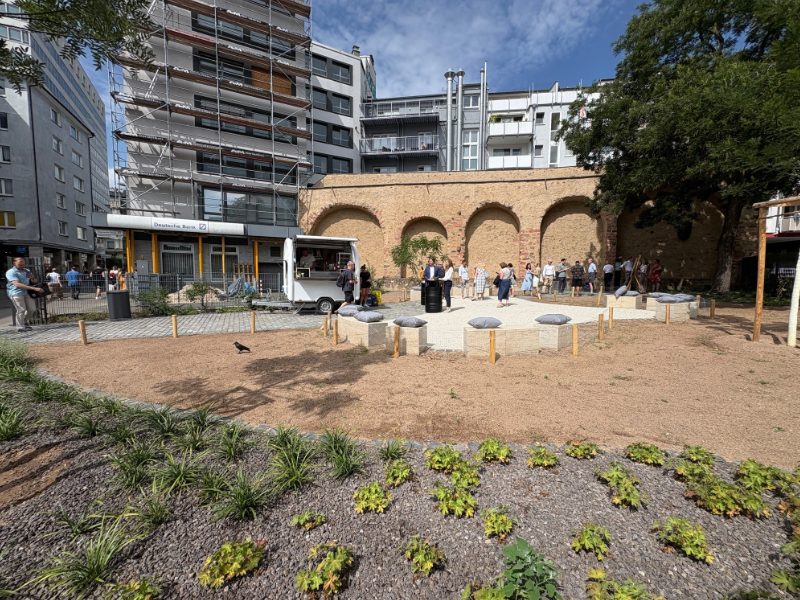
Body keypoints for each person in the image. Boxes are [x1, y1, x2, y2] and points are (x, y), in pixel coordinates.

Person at [6, 257, 43, 332]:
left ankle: (24, 321)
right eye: (19, 264)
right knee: (21, 309)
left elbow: (34, 281)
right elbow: (17, 284)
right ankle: (20, 327)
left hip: (27, 292)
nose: (22, 266)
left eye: (23, 264)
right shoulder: (11, 272)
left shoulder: (27, 271)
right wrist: (34, 288)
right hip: (16, 292)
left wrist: (32, 278)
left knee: (32, 309)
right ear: (14, 264)